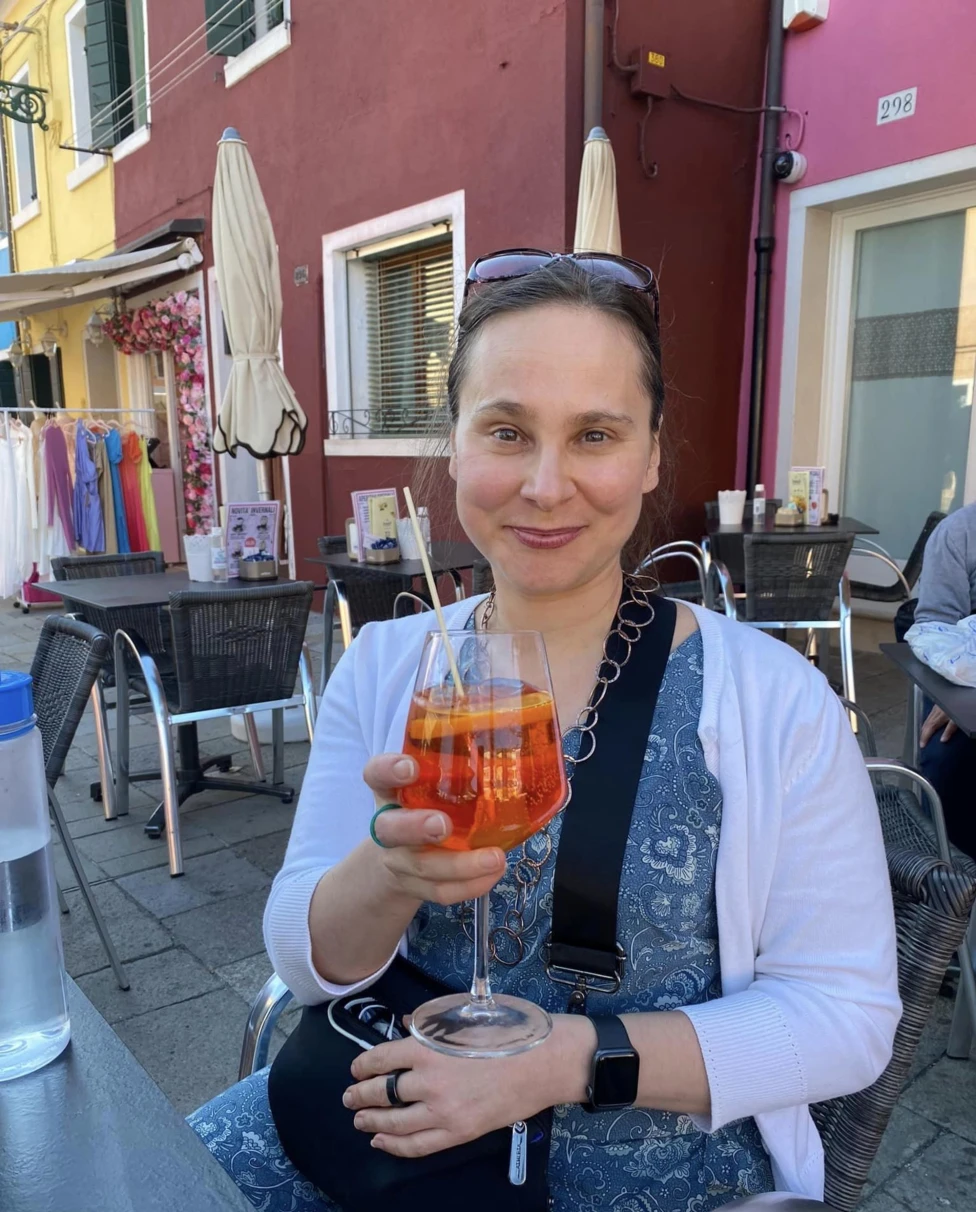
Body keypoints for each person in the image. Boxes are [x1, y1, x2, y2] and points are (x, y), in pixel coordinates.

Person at [188, 252, 900, 1212]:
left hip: (662, 1167)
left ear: (651, 455)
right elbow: (306, 960)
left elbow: (848, 1018)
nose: (547, 484)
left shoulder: (776, 703)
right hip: (381, 1139)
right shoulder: (388, 665)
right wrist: (388, 872)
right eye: (508, 431)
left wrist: (562, 1063)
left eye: (595, 434)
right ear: (456, 444)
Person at [912, 503, 976, 859]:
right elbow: (938, 627)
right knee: (945, 755)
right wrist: (960, 697)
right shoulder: (959, 533)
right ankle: (946, 884)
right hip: (965, 684)